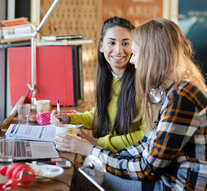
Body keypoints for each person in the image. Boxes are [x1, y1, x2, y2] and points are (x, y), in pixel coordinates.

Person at [55, 18, 207, 190]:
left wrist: (91, 150)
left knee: (82, 178)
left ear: (151, 56)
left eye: (135, 52)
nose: (131, 60)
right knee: (89, 172)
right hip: (171, 177)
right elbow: (147, 144)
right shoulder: (174, 91)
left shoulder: (182, 98)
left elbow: (147, 169)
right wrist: (93, 147)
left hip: (179, 185)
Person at [52, 16, 147, 153]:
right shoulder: (107, 77)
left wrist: (97, 142)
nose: (118, 50)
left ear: (134, 47)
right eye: (112, 43)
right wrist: (69, 118)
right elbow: (100, 116)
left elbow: (145, 135)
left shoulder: (144, 82)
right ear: (101, 46)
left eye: (125, 43)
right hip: (104, 154)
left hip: (127, 158)